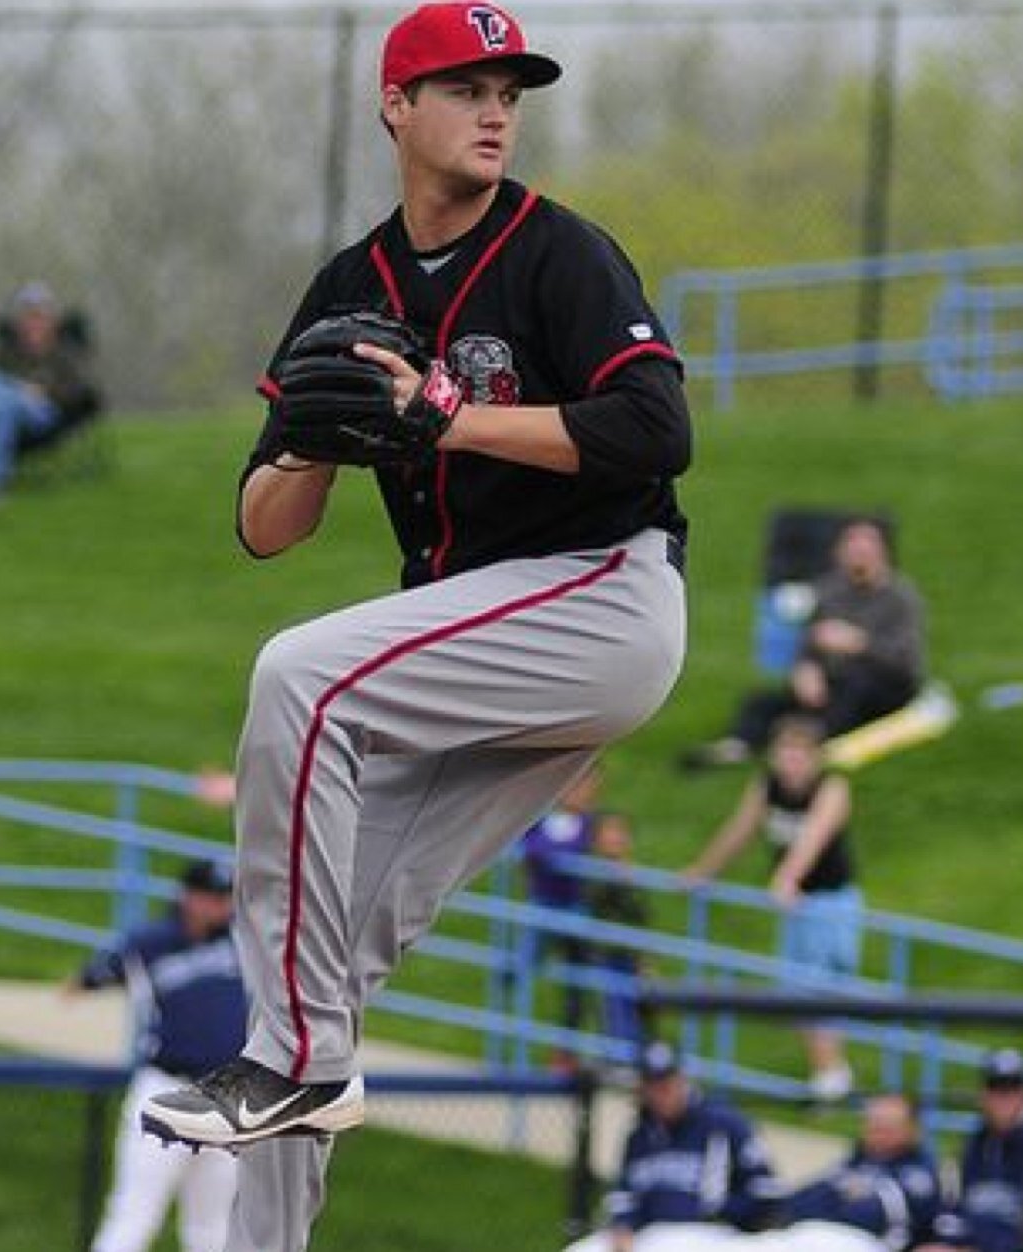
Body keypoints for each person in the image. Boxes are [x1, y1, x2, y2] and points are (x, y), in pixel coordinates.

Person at [140, 5, 690, 1251]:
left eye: (510, 89)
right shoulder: (349, 286)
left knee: (301, 675)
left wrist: (444, 416)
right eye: (464, 86)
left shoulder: (560, 253)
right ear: (397, 105)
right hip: (475, 640)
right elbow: (264, 524)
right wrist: (322, 443)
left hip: (601, 592)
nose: (495, 109)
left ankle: (292, 1060)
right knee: (311, 987)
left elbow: (658, 432)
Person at [67, 859, 248, 1252]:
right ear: (187, 896)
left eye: (225, 897)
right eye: (211, 896)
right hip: (167, 1090)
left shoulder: (242, 941)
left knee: (212, 1227)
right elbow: (87, 978)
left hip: (228, 1097)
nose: (220, 906)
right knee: (135, 1216)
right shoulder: (149, 943)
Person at [683, 714, 861, 1102]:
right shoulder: (767, 786)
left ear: (817, 757)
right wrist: (704, 870)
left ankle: (832, 1071)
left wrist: (788, 877)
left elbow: (814, 836)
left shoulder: (832, 788)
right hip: (798, 904)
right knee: (799, 987)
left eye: (801, 752)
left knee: (826, 987)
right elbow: (739, 830)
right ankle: (830, 1072)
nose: (792, 761)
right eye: (786, 751)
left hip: (831, 900)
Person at [680, 518, 925, 770]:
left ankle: (804, 746)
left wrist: (859, 643)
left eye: (866, 552)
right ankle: (739, 745)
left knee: (854, 690)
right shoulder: (827, 591)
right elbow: (807, 642)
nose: (859, 558)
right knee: (761, 701)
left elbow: (905, 660)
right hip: (832, 681)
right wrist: (805, 670)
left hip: (880, 682)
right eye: (853, 550)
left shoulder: (900, 597)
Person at [566, 1040, 781, 1252]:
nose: (662, 1094)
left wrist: (725, 1209)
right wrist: (624, 1227)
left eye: (667, 1084)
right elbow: (624, 1196)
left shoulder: (725, 1125)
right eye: (654, 1086)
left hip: (714, 1237)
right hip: (652, 1238)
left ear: (682, 1080)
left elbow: (766, 1190)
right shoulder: (639, 1137)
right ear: (643, 1089)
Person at [0, 280, 102, 503]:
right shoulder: (10, 349)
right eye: (28, 316)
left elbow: (76, 389)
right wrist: (15, 389)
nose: (34, 322)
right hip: (7, 407)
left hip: (44, 412)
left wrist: (42, 390)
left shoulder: (64, 350)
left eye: (39, 315)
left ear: (50, 319)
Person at [926, 1048, 1023, 1252]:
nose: (1003, 1098)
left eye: (1012, 1088)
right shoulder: (975, 1145)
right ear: (983, 1094)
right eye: (996, 1088)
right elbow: (953, 1212)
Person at [781, 1092, 944, 1252]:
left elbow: (867, 1217)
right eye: (872, 1123)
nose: (876, 1131)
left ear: (911, 1129)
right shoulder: (858, 1160)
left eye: (887, 1125)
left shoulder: (918, 1175)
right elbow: (799, 1201)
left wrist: (833, 1202)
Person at [519, 762, 604, 1055]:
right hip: (542, 907)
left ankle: (567, 1049)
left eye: (589, 784)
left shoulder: (590, 824)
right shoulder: (540, 818)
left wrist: (550, 854)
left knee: (581, 979)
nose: (582, 791)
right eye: (578, 783)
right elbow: (529, 849)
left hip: (574, 909)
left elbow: (565, 853)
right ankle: (517, 1037)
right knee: (523, 968)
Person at [586, 809, 654, 1050]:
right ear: (597, 840)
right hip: (606, 953)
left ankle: (634, 1061)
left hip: (629, 955)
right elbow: (596, 904)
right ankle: (618, 1060)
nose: (617, 838)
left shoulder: (632, 875)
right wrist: (615, 878)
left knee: (639, 1012)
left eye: (621, 832)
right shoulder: (591, 871)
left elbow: (640, 919)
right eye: (610, 832)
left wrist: (645, 958)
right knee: (614, 1011)